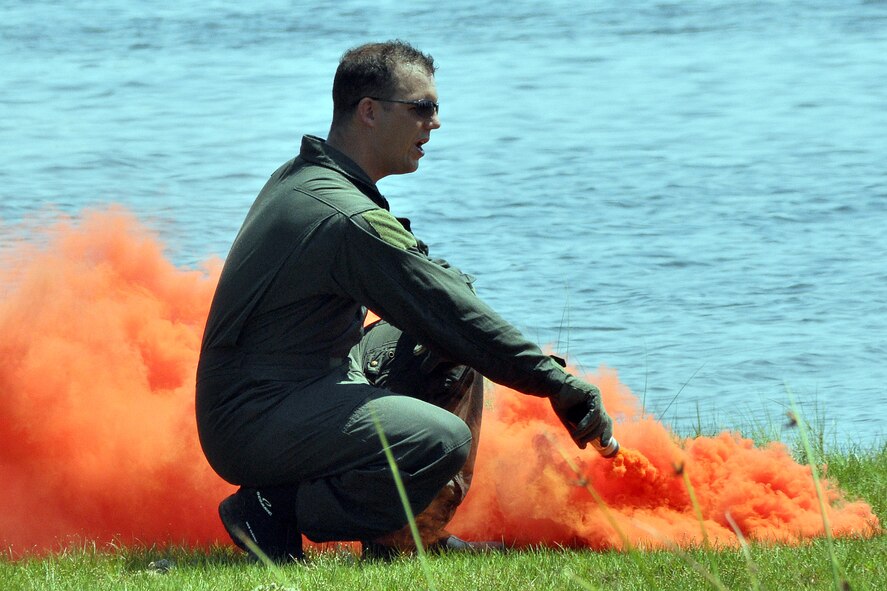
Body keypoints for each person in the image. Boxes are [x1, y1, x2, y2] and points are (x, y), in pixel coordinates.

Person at [195, 40, 615, 563]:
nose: (434, 124)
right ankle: (273, 507)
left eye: (435, 109)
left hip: (292, 388)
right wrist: (560, 385)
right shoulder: (343, 216)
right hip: (255, 416)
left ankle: (409, 538)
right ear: (369, 112)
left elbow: (445, 300)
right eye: (422, 108)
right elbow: (447, 309)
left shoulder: (308, 175)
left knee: (451, 329)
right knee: (439, 439)